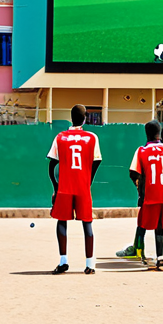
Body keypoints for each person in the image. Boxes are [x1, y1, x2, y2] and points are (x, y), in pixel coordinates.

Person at [48, 104, 102, 275]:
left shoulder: (61, 137)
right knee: (87, 223)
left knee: (61, 221)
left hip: (65, 186)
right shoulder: (92, 137)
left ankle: (63, 261)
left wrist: (56, 186)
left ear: (70, 118)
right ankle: (90, 264)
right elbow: (97, 161)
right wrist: (89, 181)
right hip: (82, 186)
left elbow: (51, 164)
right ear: (85, 118)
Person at [130, 122, 163, 271]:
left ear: (146, 133)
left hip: (150, 195)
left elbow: (133, 172)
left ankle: (142, 253)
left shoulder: (142, 151)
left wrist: (140, 188)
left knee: (143, 224)